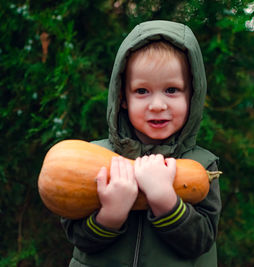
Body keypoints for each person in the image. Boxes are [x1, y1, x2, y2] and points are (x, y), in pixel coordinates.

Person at [61, 20, 221, 267]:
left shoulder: (202, 165)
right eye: (142, 91)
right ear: (123, 98)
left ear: (193, 95)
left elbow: (201, 242)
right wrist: (111, 215)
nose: (157, 105)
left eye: (171, 90)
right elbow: (79, 239)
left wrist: (165, 201)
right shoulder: (93, 156)